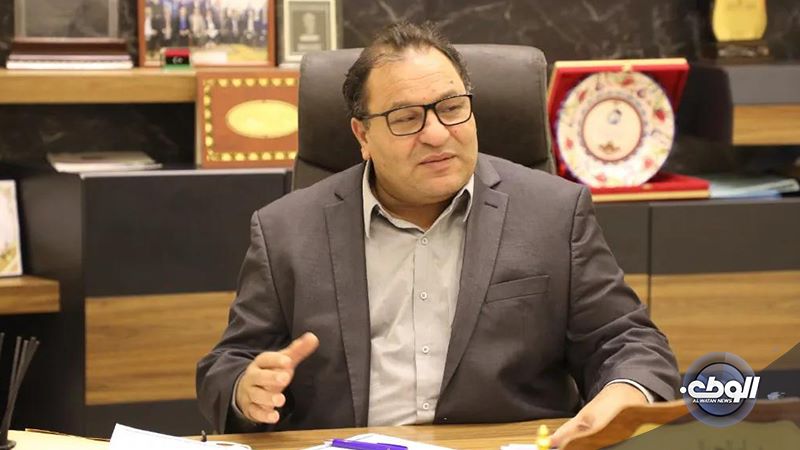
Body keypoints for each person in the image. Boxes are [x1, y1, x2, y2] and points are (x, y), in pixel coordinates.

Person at [196, 22, 680, 447]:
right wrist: (244, 389)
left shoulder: (554, 213)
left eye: (452, 108)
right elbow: (228, 363)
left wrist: (624, 393)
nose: (436, 133)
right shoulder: (286, 229)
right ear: (362, 136)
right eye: (406, 118)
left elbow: (627, 340)